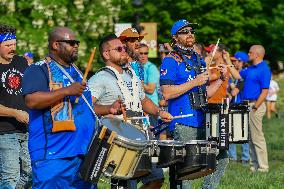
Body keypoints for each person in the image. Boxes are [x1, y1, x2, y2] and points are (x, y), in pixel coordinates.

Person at [88, 34, 173, 189]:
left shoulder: (131, 75)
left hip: (141, 134)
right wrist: (108, 109)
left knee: (156, 178)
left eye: (123, 48)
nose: (124, 50)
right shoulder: (99, 78)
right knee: (126, 184)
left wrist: (159, 112)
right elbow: (86, 107)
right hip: (119, 140)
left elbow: (143, 100)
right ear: (106, 54)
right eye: (119, 48)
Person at [22, 27, 97, 189]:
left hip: (83, 153)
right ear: (56, 44)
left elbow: (84, 108)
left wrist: (110, 108)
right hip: (54, 155)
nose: (76, 45)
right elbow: (32, 100)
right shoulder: (38, 69)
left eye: (77, 42)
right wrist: (66, 91)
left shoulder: (76, 72)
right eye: (71, 43)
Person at [160, 19, 228, 189]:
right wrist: (195, 82)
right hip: (183, 122)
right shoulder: (170, 60)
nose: (190, 34)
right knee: (186, 171)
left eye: (191, 31)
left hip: (202, 118)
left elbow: (204, 94)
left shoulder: (198, 59)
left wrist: (221, 79)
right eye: (185, 32)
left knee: (222, 155)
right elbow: (167, 92)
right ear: (175, 37)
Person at [0, 24, 32, 189]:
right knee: (10, 177)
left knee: (29, 175)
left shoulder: (21, 62)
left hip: (26, 130)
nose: (13, 48)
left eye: (14, 44)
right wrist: (14, 112)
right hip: (4, 132)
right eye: (8, 45)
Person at [241, 45, 271, 173]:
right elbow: (238, 75)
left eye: (250, 52)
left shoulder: (264, 69)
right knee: (250, 137)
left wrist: (255, 106)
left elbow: (265, 91)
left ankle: (263, 167)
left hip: (255, 105)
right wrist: (228, 62)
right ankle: (254, 166)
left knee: (257, 137)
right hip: (248, 105)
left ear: (257, 54)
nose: (248, 54)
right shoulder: (250, 68)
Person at [228, 51, 250, 164]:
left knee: (244, 132)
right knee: (231, 131)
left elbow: (235, 90)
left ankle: (245, 158)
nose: (233, 62)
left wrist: (231, 83)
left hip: (242, 104)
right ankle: (232, 157)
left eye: (235, 61)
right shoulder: (238, 73)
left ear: (241, 61)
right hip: (234, 104)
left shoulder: (245, 73)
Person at [139, 43, 160, 127]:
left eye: (146, 53)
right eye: (141, 53)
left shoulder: (151, 68)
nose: (143, 56)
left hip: (151, 107)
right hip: (140, 107)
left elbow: (151, 90)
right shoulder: (136, 66)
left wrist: (137, 82)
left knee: (152, 136)